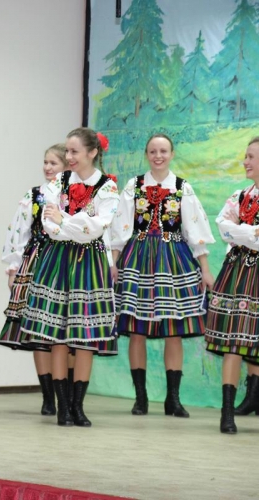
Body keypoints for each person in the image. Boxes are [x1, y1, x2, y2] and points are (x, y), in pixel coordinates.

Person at [20, 127, 119, 427]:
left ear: (92, 152)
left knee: (86, 338)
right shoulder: (57, 182)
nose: (69, 156)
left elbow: (97, 228)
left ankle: (78, 406)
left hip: (90, 264)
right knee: (57, 337)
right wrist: (74, 223)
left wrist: (64, 219)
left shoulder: (107, 187)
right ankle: (63, 407)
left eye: (74, 151)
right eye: (67, 151)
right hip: (58, 261)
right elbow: (49, 226)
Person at [111, 134, 215, 418]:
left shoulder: (182, 187)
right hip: (138, 259)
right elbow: (120, 227)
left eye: (163, 151)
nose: (158, 156)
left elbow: (195, 229)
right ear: (147, 154)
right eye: (153, 151)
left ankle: (173, 399)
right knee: (137, 330)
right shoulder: (134, 185)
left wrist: (205, 269)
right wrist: (113, 263)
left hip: (173, 260)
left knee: (174, 330)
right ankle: (140, 398)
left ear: (172, 154)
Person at [0, 144, 69, 416]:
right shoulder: (35, 195)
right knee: (39, 332)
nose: (48, 167)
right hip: (37, 264)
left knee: (65, 331)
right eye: (46, 162)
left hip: (67, 264)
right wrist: (14, 269)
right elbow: (19, 233)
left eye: (54, 163)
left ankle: (67, 397)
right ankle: (48, 396)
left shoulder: (75, 195)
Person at [205, 137, 259, 434]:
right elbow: (223, 228)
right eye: (246, 156)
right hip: (238, 274)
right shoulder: (241, 196)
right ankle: (227, 413)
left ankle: (253, 396)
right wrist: (250, 233)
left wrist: (241, 232)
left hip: (250, 273)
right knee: (233, 341)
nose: (245, 161)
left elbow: (235, 231)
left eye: (251, 156)